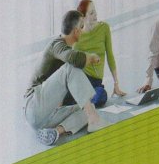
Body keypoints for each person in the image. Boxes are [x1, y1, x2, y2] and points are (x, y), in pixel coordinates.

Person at [24, 9, 109, 146]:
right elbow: (73, 59)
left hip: (47, 117)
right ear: (76, 31)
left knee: (88, 108)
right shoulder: (56, 44)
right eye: (82, 27)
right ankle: (94, 119)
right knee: (71, 67)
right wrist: (91, 58)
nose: (83, 30)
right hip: (33, 106)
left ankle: (56, 132)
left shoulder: (65, 49)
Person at [69, 0, 127, 107]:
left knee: (101, 95)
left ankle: (81, 103)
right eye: (91, 13)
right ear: (83, 17)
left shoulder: (104, 28)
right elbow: (71, 61)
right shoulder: (77, 34)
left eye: (95, 11)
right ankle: (80, 102)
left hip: (96, 82)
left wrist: (116, 84)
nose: (96, 15)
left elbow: (110, 56)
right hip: (81, 79)